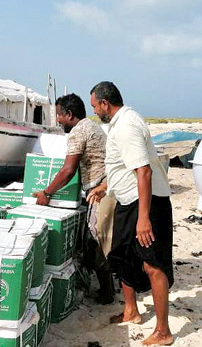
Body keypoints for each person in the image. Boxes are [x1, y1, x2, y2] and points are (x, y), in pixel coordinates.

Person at [87, 81, 174, 346]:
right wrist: (106, 187)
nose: (94, 112)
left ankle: (163, 331)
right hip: (127, 200)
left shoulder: (126, 126)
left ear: (105, 103)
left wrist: (144, 218)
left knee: (152, 263)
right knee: (122, 256)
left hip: (147, 203)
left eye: (95, 106)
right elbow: (123, 168)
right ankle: (131, 311)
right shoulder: (118, 124)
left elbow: (143, 171)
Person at [31, 93, 115, 304]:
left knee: (96, 241)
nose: (58, 120)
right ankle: (106, 288)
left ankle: (107, 294)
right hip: (106, 188)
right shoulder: (92, 126)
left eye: (59, 115)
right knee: (97, 241)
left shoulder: (78, 132)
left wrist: (47, 193)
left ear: (69, 114)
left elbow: (68, 170)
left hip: (102, 191)